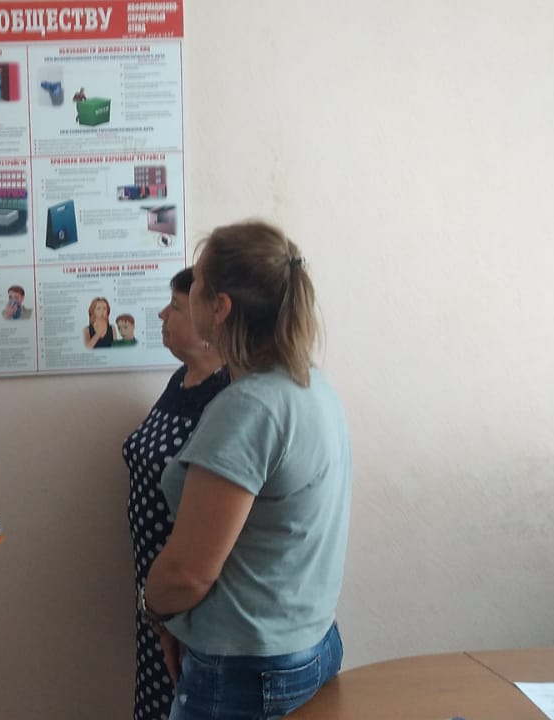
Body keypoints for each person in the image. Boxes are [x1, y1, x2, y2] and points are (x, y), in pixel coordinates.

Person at [142, 220, 351, 719]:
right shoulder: (308, 384)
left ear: (220, 307)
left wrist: (155, 609)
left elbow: (189, 574)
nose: (187, 292)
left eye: (196, 284)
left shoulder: (249, 408)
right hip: (310, 643)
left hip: (245, 670)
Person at [122, 267, 229, 720]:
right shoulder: (181, 379)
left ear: (209, 324)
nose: (162, 315)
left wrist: (176, 607)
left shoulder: (228, 397)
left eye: (175, 307)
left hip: (193, 604)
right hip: (157, 596)